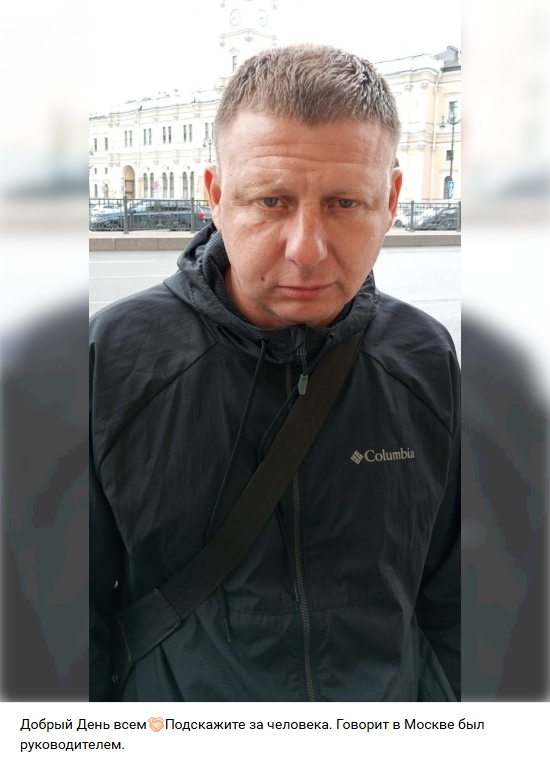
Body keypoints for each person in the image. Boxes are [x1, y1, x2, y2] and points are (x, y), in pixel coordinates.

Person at [90, 44, 460, 702]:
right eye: (270, 201)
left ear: (391, 199)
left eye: (345, 203)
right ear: (216, 196)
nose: (307, 250)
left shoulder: (425, 359)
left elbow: (459, 599)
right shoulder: (113, 358)